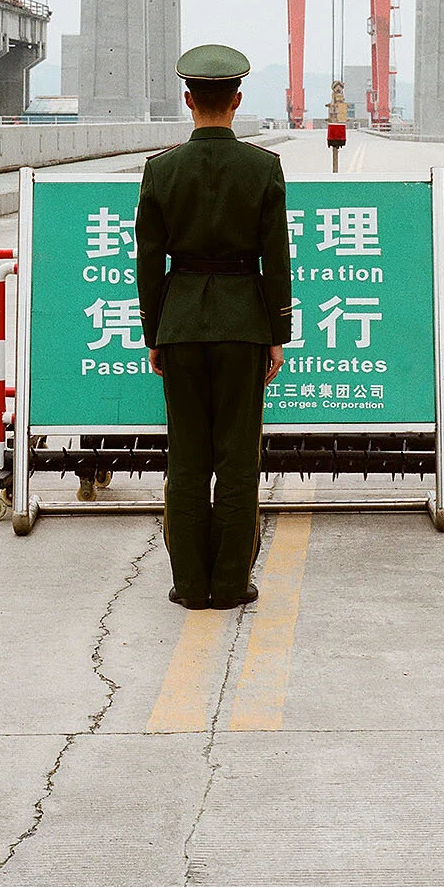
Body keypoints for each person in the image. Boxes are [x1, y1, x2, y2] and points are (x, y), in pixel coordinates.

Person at [135, 45, 292, 609]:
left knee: (187, 459)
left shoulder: (160, 170)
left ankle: (188, 584)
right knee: (236, 460)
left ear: (187, 100)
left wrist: (155, 333)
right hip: (245, 325)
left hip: (179, 325)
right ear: (238, 99)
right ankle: (230, 583)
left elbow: (148, 261)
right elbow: (276, 257)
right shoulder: (263, 167)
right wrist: (278, 331)